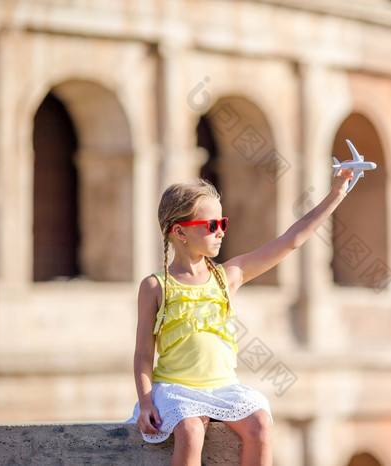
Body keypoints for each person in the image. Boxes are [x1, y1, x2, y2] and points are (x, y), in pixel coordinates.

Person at [127, 168, 352, 465]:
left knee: (260, 423)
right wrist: (145, 404)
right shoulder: (156, 286)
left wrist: (335, 195)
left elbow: (290, 241)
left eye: (223, 223)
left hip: (223, 387)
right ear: (179, 232)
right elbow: (143, 353)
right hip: (176, 390)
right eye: (211, 225)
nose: (220, 231)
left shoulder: (227, 277)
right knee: (192, 430)